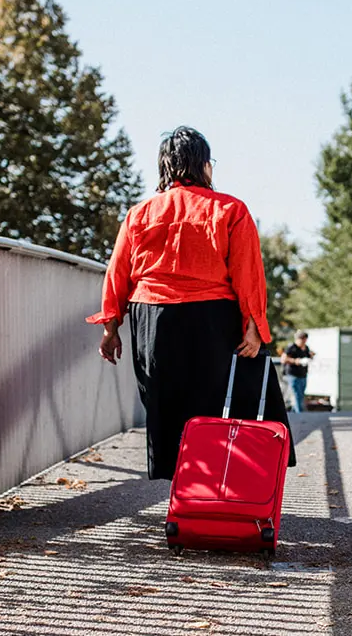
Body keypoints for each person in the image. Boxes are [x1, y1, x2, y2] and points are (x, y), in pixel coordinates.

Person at [86, 126, 295, 479]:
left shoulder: (140, 213)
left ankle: (181, 495)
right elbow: (248, 273)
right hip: (212, 318)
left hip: (152, 319)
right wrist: (254, 325)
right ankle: (215, 487)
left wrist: (111, 327)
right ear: (203, 165)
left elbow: (118, 272)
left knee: (165, 406)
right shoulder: (231, 209)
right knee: (219, 405)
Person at [280, 332, 315, 412]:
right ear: (298, 339)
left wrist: (311, 356)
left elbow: (308, 356)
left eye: (305, 340)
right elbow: (283, 359)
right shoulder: (292, 347)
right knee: (296, 395)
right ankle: (299, 413)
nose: (303, 342)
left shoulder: (306, 348)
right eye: (302, 340)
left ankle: (294, 413)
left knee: (301, 395)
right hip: (293, 375)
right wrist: (297, 361)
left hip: (303, 375)